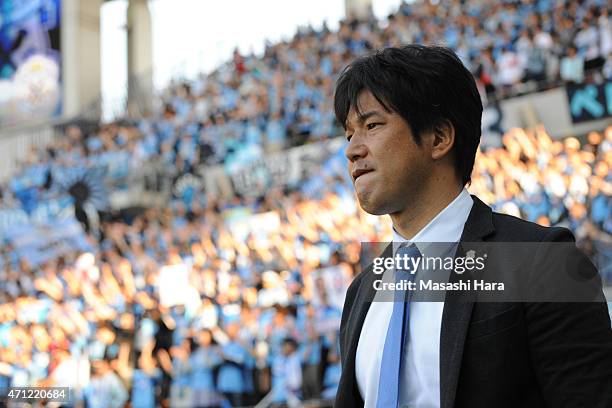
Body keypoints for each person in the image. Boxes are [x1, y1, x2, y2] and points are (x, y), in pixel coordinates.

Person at [333, 45, 612, 408]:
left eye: (371, 126)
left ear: (438, 138)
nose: (352, 149)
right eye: (348, 134)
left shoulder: (539, 261)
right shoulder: (362, 291)